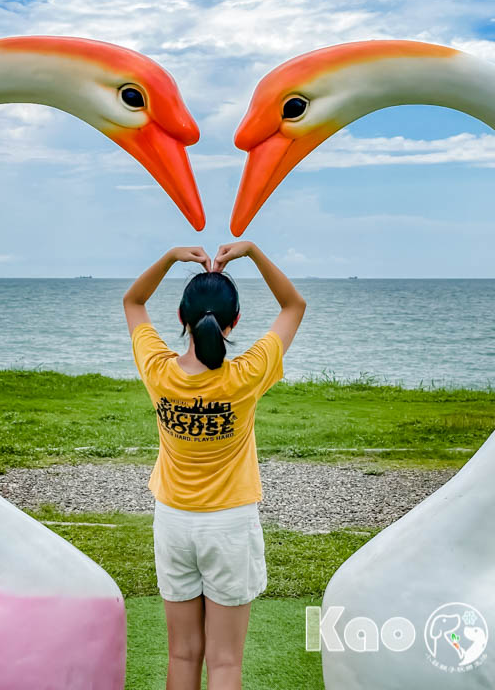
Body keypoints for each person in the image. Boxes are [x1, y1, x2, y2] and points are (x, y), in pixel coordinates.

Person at [123, 241, 306, 690]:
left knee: (182, 654)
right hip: (229, 526)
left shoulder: (158, 369)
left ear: (182, 320)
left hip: (173, 522)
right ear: (235, 321)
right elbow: (293, 304)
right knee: (224, 664)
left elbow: (133, 301)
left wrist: (168, 257)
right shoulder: (246, 374)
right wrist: (254, 252)